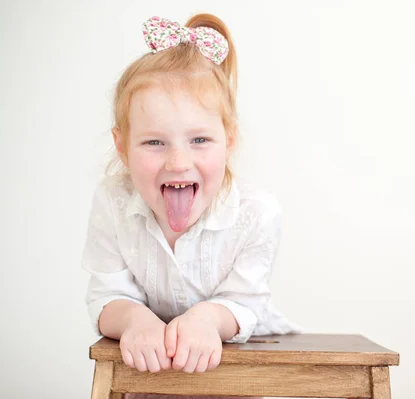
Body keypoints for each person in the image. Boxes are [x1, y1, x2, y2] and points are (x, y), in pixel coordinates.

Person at [82, 13, 301, 384]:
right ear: (122, 147)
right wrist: (135, 319)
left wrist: (207, 319)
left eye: (199, 140)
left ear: (229, 139)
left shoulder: (255, 213)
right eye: (154, 142)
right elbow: (105, 297)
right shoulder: (114, 202)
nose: (178, 162)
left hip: (236, 368)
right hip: (151, 366)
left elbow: (245, 302)